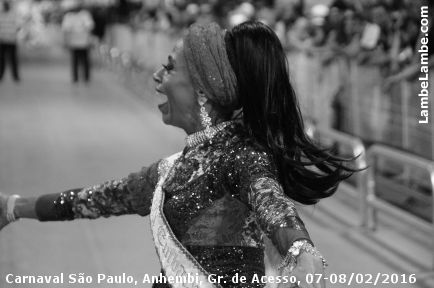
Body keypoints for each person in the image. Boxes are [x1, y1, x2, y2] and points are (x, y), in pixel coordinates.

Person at [0, 21, 355, 288]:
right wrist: (15, 207)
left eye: (170, 67)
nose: (157, 76)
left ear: (202, 90)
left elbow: (272, 205)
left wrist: (300, 252)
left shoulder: (241, 156)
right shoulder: (170, 171)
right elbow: (96, 199)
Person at [61, 4, 95, 83]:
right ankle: (75, 78)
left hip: (84, 42)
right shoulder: (69, 16)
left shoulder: (85, 14)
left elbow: (89, 27)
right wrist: (66, 41)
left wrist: (89, 40)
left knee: (85, 60)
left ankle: (86, 77)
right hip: (74, 42)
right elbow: (66, 29)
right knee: (75, 60)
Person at [0, 0, 20, 82]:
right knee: (1, 60)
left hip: (11, 40)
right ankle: (1, 75)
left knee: (13, 59)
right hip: (2, 41)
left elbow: (18, 26)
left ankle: (15, 76)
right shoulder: (0, 15)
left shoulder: (13, 15)